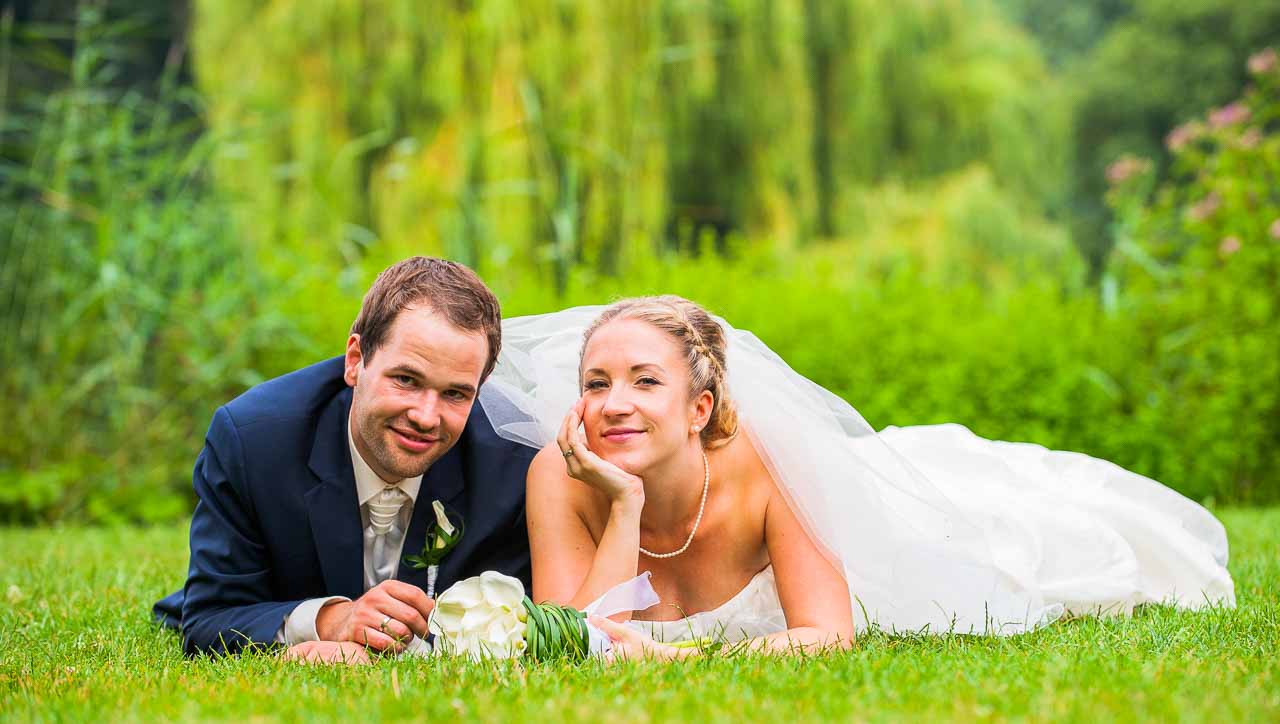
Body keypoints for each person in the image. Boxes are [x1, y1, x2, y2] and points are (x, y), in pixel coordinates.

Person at [482, 296, 1236, 659]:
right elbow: (571, 641)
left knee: (1030, 555)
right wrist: (625, 507)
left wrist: (673, 660)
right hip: (622, 502)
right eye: (596, 381)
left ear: (697, 406)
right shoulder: (563, 472)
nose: (612, 405)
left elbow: (829, 633)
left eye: (645, 382)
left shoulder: (770, 464)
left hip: (882, 554)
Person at [153, 257, 536, 663]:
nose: (426, 416)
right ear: (355, 360)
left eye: (456, 394)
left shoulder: (512, 465)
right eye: (406, 380)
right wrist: (332, 621)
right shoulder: (254, 442)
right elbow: (209, 619)